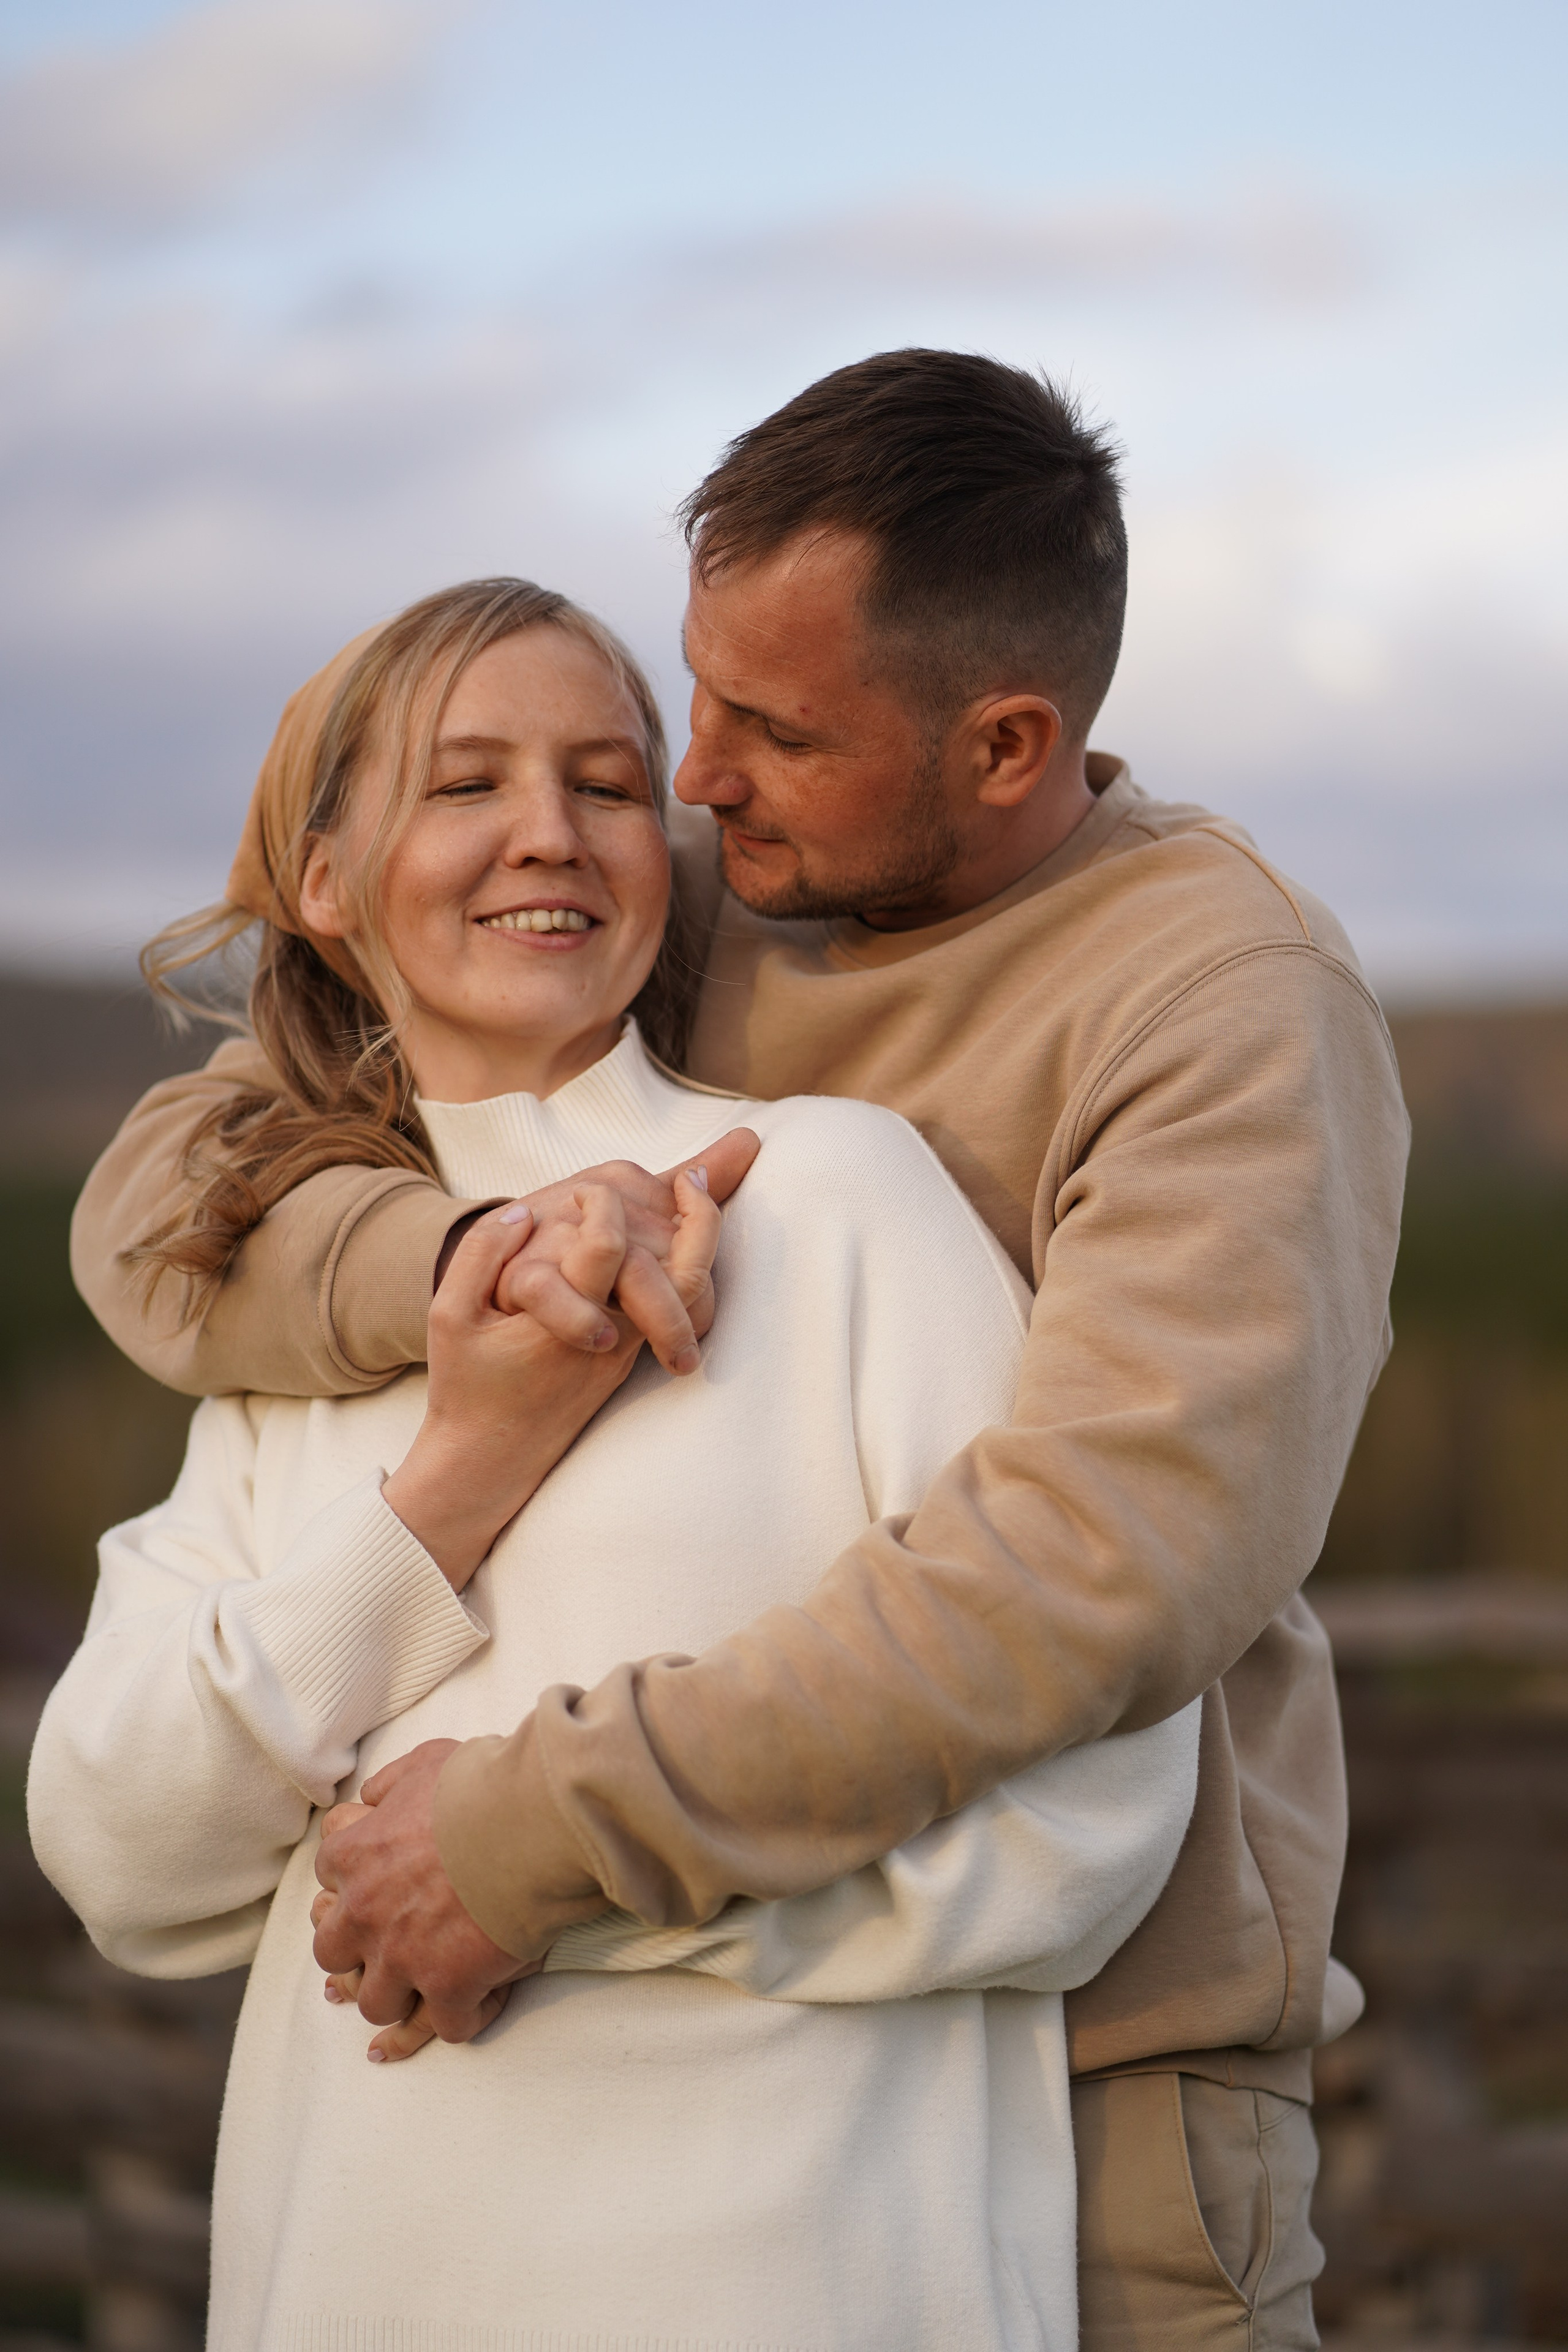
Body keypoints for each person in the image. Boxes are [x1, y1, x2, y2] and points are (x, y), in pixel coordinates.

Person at [67, 352, 1409, 2349]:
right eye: (679, 714)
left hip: (1111, 2075)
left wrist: (532, 1845)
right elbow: (194, 1176)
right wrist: (476, 1273)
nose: (684, 786)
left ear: (1005, 745)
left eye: (762, 730)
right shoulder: (724, 886)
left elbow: (1095, 1578)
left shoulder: (1210, 1009)